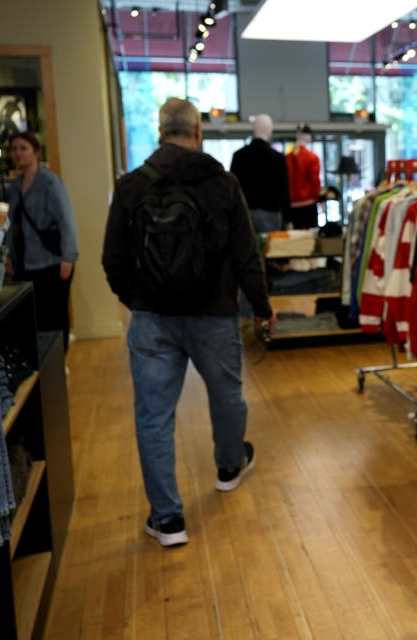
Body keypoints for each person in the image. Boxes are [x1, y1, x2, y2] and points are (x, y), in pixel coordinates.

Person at [102, 98, 277, 547]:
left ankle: (167, 520)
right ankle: (228, 466)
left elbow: (113, 261)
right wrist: (261, 305)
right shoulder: (222, 184)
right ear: (197, 131)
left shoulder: (129, 187)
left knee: (154, 416)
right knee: (227, 396)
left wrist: (139, 299)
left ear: (161, 131)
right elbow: (245, 255)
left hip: (152, 319)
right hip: (214, 314)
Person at [5, 130, 80, 350]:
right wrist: (10, 255)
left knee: (54, 314)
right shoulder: (15, 187)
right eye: (14, 150)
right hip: (26, 261)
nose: (18, 154)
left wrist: (68, 256)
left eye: (23, 149)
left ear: (36, 152)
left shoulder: (50, 182)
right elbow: (13, 225)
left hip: (51, 259)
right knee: (32, 315)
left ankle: (59, 358)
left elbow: (66, 220)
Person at [229, 113, 289, 233]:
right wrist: (288, 219)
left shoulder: (239, 156)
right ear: (270, 131)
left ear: (254, 129)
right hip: (271, 213)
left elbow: (233, 189)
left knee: (247, 249)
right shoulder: (278, 158)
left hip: (245, 214)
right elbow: (284, 191)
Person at [286, 123, 322, 229]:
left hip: (292, 206)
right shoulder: (312, 158)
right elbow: (315, 182)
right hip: (308, 205)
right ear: (307, 136)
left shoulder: (287, 158)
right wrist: (319, 199)